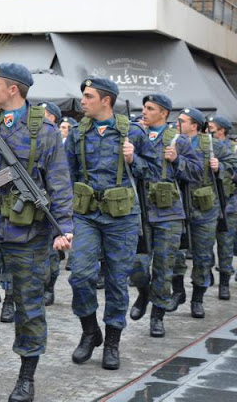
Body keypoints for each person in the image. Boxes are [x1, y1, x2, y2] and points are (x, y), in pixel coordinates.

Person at [0, 63, 73, 402]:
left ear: (13, 90)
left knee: (29, 307)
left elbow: (60, 184)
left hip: (31, 235)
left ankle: (26, 378)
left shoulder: (46, 132)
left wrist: (64, 227)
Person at [65, 78, 159, 370]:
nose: (83, 101)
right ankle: (90, 331)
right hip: (87, 214)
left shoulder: (132, 132)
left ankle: (113, 343)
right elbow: (67, 175)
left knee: (117, 282)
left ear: (106, 100)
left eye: (89, 96)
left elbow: (155, 171)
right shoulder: (78, 133)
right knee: (79, 276)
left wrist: (134, 161)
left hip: (122, 218)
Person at [128, 94, 202, 338]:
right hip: (140, 211)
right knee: (137, 265)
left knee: (164, 266)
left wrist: (177, 160)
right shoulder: (136, 136)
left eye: (150, 109)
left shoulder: (178, 140)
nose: (144, 112)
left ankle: (157, 315)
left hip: (168, 213)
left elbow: (197, 173)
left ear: (163, 113)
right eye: (143, 108)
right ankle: (143, 293)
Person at [172, 108, 237, 318]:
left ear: (194, 125)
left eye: (182, 121)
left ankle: (197, 299)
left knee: (202, 257)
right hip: (176, 207)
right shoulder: (173, 142)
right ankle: (178, 291)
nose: (177, 124)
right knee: (175, 254)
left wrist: (220, 168)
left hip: (204, 209)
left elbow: (233, 165)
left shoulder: (211, 145)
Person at [207, 115, 237, 300]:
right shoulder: (205, 146)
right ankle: (206, 272)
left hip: (229, 205)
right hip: (208, 204)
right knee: (204, 244)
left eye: (211, 127)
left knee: (225, 244)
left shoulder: (232, 149)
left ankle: (224, 282)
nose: (208, 129)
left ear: (221, 131)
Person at [39, 101, 64, 307]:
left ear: (53, 118)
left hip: (52, 201)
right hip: (33, 201)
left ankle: (49, 286)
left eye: (43, 113)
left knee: (51, 250)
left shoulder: (58, 140)